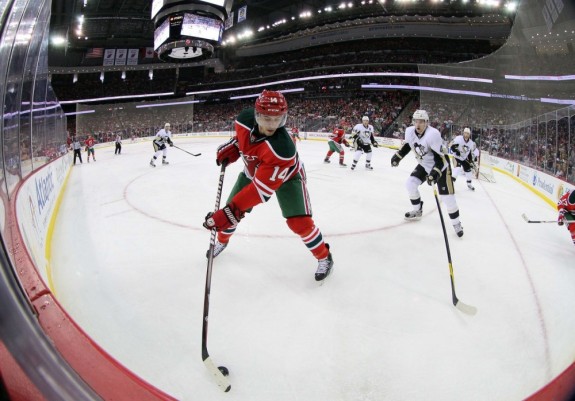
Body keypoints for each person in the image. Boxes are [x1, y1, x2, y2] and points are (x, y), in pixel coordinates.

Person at [202, 90, 334, 282]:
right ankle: (222, 242)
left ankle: (324, 256)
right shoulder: (243, 120)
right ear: (256, 115)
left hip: (288, 177)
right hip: (253, 172)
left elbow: (260, 191)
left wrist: (231, 211)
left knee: (299, 223)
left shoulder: (283, 149)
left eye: (277, 119)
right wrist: (235, 146)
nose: (271, 125)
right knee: (229, 216)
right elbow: (243, 140)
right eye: (266, 118)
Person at [390, 109, 464, 237]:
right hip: (424, 164)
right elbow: (409, 145)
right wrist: (398, 155)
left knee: (448, 198)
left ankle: (456, 223)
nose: (418, 124)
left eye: (421, 122)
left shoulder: (433, 134)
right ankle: (417, 210)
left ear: (427, 123)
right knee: (410, 184)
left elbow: (440, 159)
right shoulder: (409, 131)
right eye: (416, 121)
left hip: (441, 167)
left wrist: (434, 173)